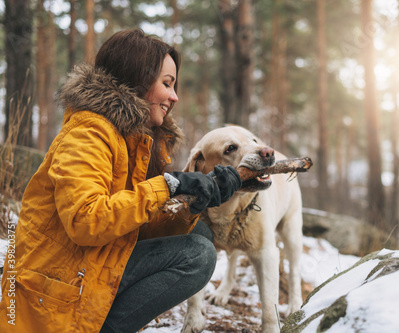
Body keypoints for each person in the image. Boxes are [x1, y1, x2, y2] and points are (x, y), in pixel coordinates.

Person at [0, 28, 241, 333]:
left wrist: (192, 205)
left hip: (90, 266)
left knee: (200, 236)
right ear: (137, 79)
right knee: (198, 254)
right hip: (55, 290)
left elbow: (134, 229)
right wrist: (169, 185)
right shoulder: (88, 133)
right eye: (166, 83)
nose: (174, 96)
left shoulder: (135, 141)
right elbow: (87, 221)